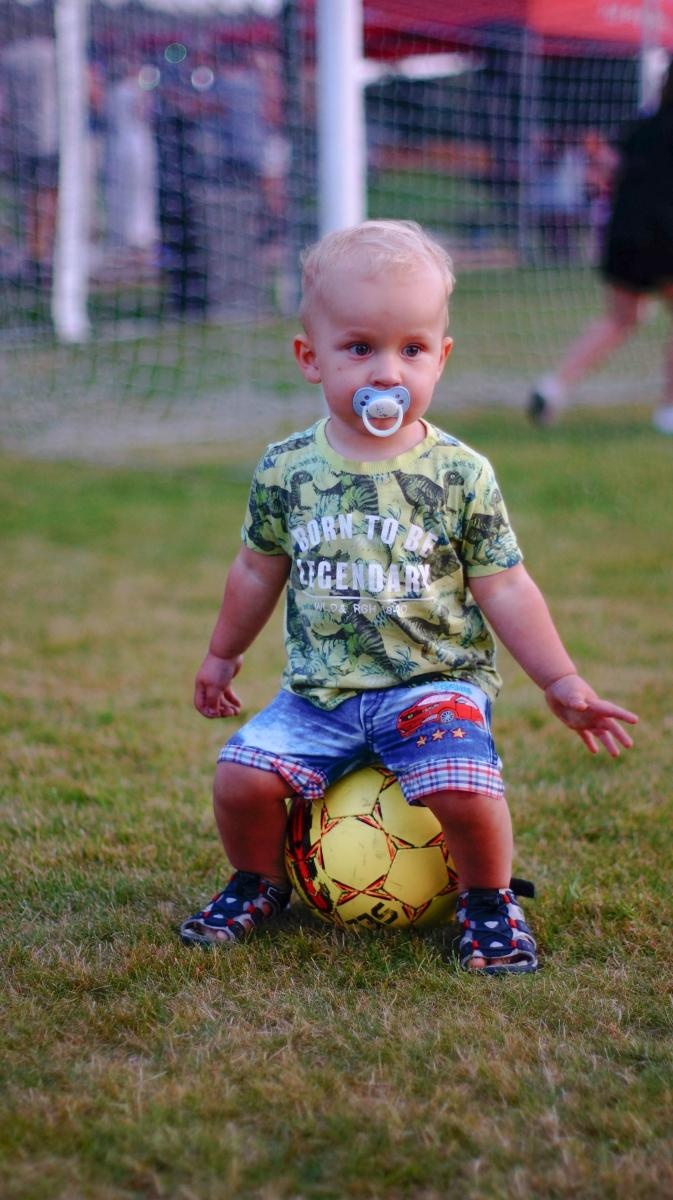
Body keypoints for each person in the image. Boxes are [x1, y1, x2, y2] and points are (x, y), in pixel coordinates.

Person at [181, 219, 637, 973]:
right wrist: (222, 655)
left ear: (441, 358)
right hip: (320, 691)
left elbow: (505, 583)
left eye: (411, 350)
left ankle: (488, 901)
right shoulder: (286, 468)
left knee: (463, 788)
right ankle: (257, 881)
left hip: (432, 685)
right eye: (359, 348)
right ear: (310, 358)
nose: (386, 373)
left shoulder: (460, 473)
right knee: (240, 778)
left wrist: (560, 680)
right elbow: (257, 568)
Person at [528, 64, 673, 433]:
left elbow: (607, 165)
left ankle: (554, 386)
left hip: (623, 236)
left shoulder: (641, 126)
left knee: (620, 318)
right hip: (666, 237)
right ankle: (669, 410)